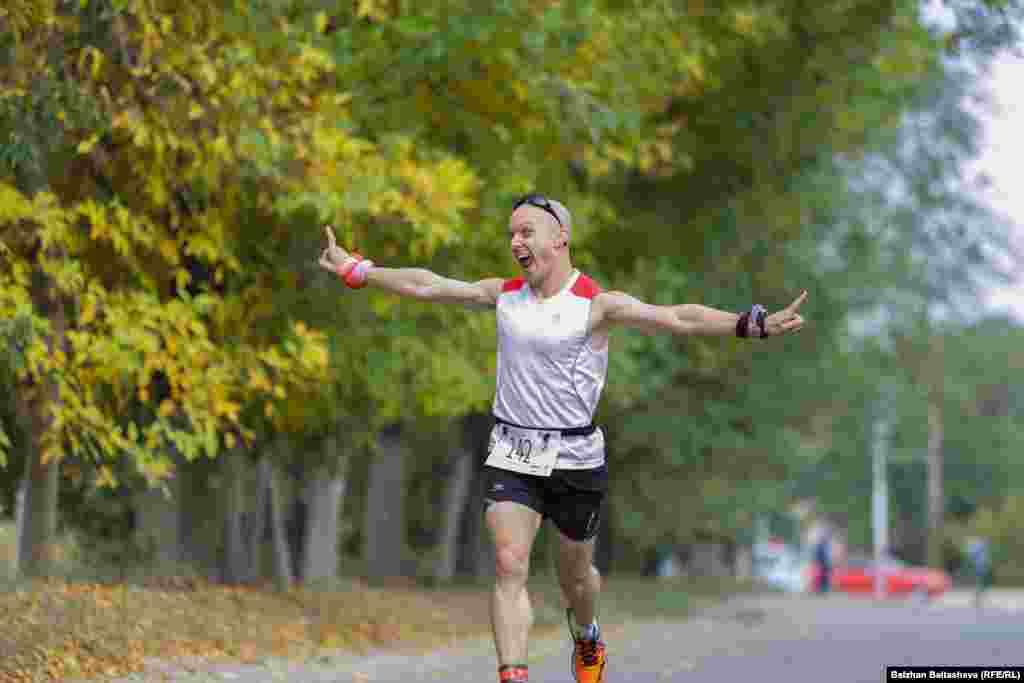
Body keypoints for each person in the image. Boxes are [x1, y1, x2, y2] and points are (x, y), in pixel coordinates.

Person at [318, 194, 808, 683]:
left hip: (575, 457)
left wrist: (750, 324)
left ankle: (587, 632)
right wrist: (359, 270)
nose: (516, 241)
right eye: (511, 233)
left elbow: (679, 317)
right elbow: (428, 285)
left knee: (576, 581)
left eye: (527, 231)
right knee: (510, 563)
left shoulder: (596, 305)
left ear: (561, 237)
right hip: (513, 450)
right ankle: (513, 673)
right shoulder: (503, 294)